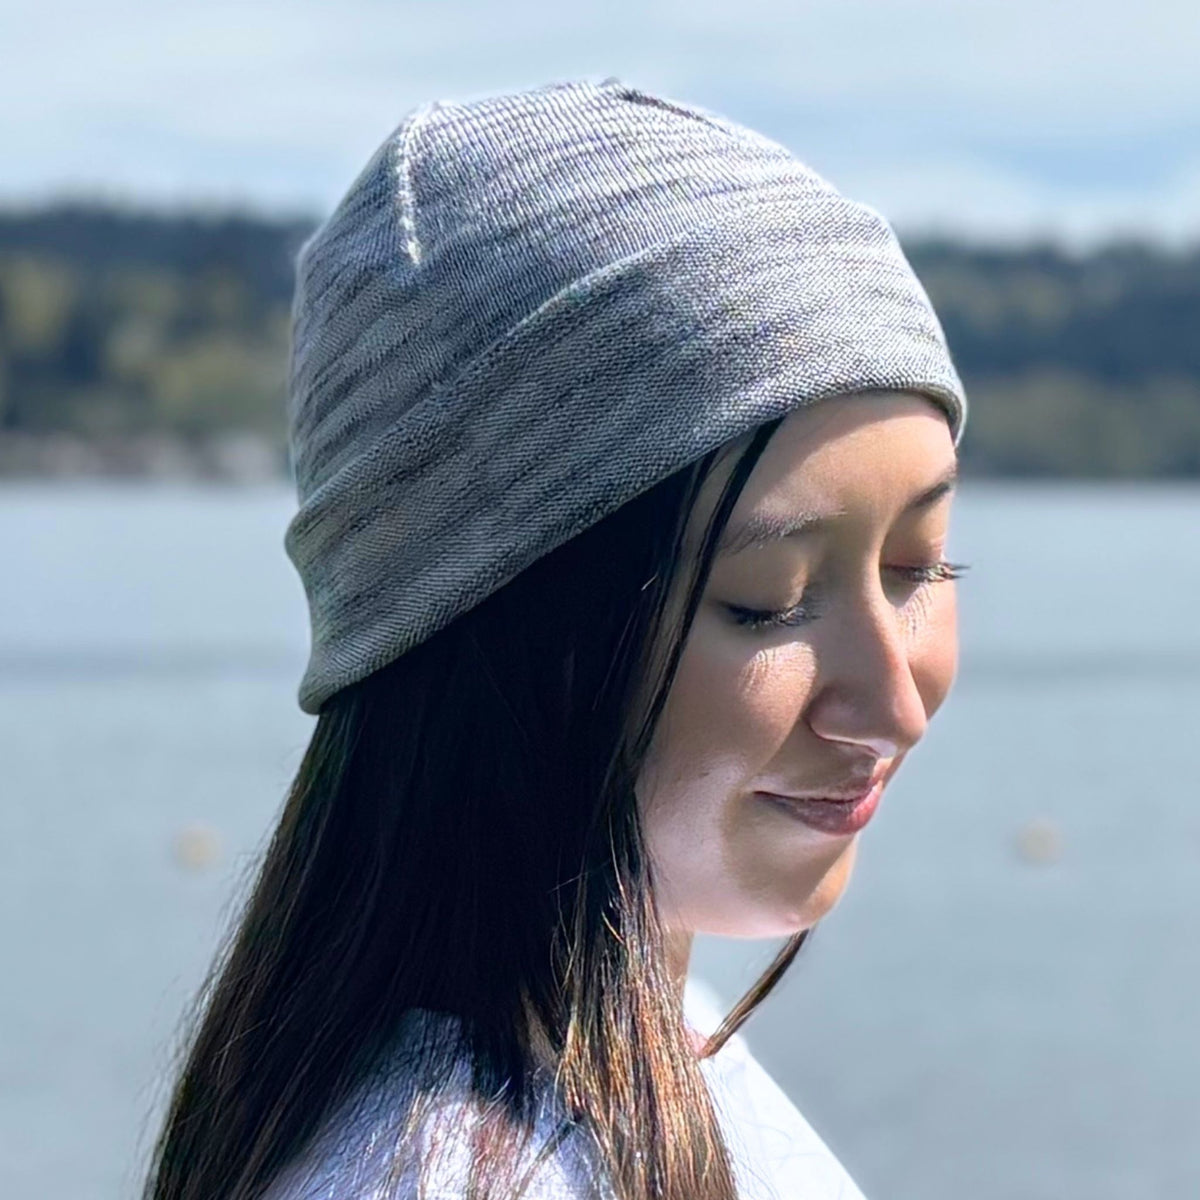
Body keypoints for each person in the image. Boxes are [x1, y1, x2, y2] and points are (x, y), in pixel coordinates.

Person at [143, 76, 969, 1200]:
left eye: (918, 569)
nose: (896, 701)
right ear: (487, 626)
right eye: (767, 600)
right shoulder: (449, 1172)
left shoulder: (641, 1053)